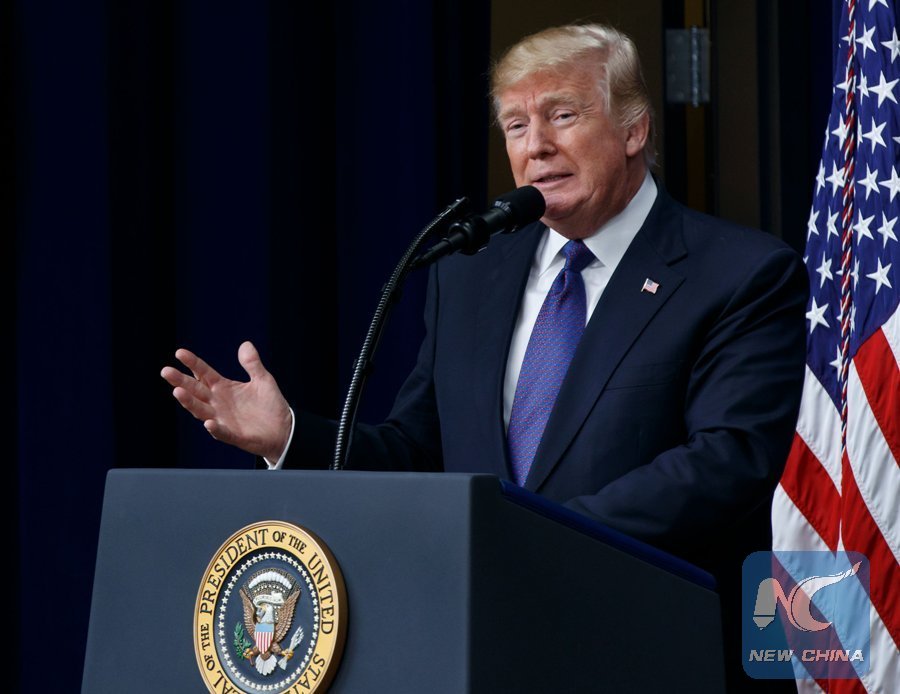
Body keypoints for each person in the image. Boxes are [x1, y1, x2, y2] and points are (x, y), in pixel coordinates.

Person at [162, 24, 808, 691]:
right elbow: (418, 451)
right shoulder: (469, 276)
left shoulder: (739, 274)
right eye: (516, 126)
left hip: (646, 650)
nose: (536, 146)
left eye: (563, 115)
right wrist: (291, 436)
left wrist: (531, 537)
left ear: (634, 130)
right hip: (482, 651)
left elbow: (727, 461)